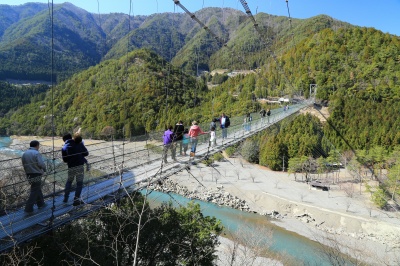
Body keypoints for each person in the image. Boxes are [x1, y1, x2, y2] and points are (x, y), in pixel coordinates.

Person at [63, 133, 89, 206]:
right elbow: (86, 153)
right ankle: (76, 200)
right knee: (79, 183)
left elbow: (65, 160)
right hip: (80, 166)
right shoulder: (79, 144)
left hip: (71, 167)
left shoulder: (64, 147)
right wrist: (80, 155)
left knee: (69, 182)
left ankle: (65, 198)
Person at [21, 140, 47, 214]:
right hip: (36, 173)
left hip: (28, 174)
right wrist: (44, 169)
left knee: (37, 189)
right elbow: (41, 164)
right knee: (34, 191)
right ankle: (28, 208)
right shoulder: (36, 153)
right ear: (37, 145)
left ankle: (41, 204)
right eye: (38, 145)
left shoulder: (24, 153)